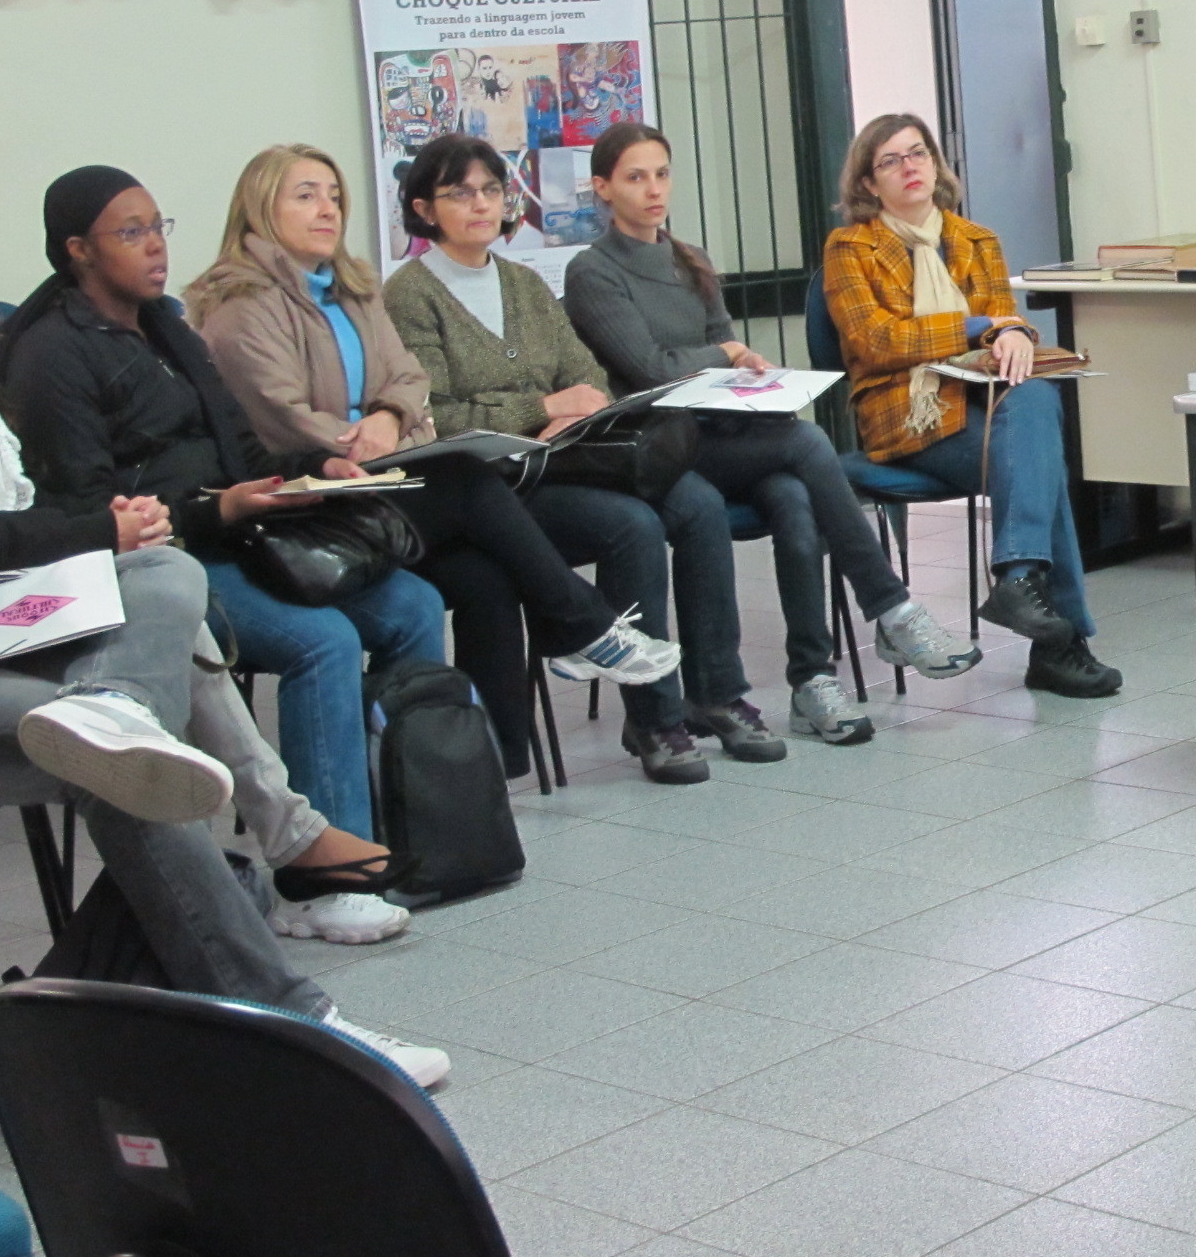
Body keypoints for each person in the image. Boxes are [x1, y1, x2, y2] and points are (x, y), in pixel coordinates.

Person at [183, 143, 682, 778]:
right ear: (259, 207)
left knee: (487, 574)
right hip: (307, 498)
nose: (327, 209)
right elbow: (286, 419)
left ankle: (491, 766)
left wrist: (389, 419)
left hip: (382, 476)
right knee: (468, 480)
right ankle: (586, 627)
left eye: (335, 196)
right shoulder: (242, 306)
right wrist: (377, 431)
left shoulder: (352, 287)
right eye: (306, 195)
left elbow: (408, 381)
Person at [0, 169, 444, 850]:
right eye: (130, 232)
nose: (154, 247)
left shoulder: (166, 328)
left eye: (157, 227)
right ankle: (326, 862)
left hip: (243, 529)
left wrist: (310, 471)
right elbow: (89, 509)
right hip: (162, 564)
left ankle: (421, 825)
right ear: (78, 250)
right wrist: (218, 511)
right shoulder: (52, 351)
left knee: (412, 603)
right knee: (323, 642)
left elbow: (239, 444)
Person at [563, 123, 983, 743]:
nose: (654, 190)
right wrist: (724, 353)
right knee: (807, 446)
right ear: (602, 188)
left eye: (661, 173)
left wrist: (751, 374)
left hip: (717, 431)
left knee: (791, 492)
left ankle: (812, 681)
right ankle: (891, 607)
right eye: (634, 177)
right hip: (655, 447)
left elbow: (719, 356)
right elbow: (650, 370)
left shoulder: (689, 260)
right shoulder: (591, 272)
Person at [383, 133, 776, 781]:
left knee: (699, 504)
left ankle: (718, 692)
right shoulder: (409, 295)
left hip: (561, 462)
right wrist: (540, 407)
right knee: (633, 526)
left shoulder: (524, 283)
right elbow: (434, 415)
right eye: (460, 194)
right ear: (425, 209)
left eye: (491, 190)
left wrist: (566, 405)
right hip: (485, 493)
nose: (482, 204)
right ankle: (655, 721)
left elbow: (587, 378)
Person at [823, 116, 1119, 699]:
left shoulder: (976, 239)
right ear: (867, 183)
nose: (910, 167)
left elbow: (1005, 319)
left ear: (936, 164)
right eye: (890, 160)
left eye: (919, 153)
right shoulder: (850, 248)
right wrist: (980, 326)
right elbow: (875, 341)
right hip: (907, 417)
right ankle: (1059, 644)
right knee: (1041, 466)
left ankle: (1020, 579)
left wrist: (1016, 337)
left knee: (1034, 394)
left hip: (986, 408)